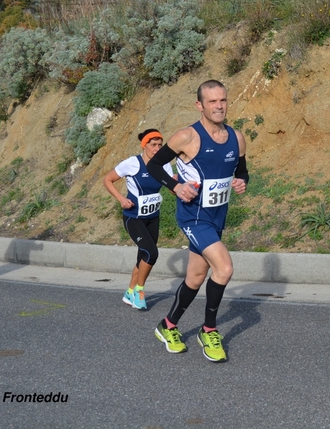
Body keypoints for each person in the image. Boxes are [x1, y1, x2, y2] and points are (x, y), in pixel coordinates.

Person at [145, 79, 248, 363]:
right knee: (224, 268)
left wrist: (241, 182)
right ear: (199, 105)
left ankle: (167, 326)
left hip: (217, 217)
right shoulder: (187, 137)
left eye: (223, 100)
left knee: (195, 277)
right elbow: (153, 164)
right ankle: (209, 329)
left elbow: (243, 171)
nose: (219, 106)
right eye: (212, 101)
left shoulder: (236, 137)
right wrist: (175, 187)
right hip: (193, 217)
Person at [102, 129, 173, 311]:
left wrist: (183, 187)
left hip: (153, 217)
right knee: (152, 253)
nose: (157, 148)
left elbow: (172, 186)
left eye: (160, 145)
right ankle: (140, 292)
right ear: (144, 145)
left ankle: (130, 292)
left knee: (144, 256)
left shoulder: (164, 165)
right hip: (134, 218)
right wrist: (121, 199)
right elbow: (108, 180)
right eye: (153, 145)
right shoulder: (132, 163)